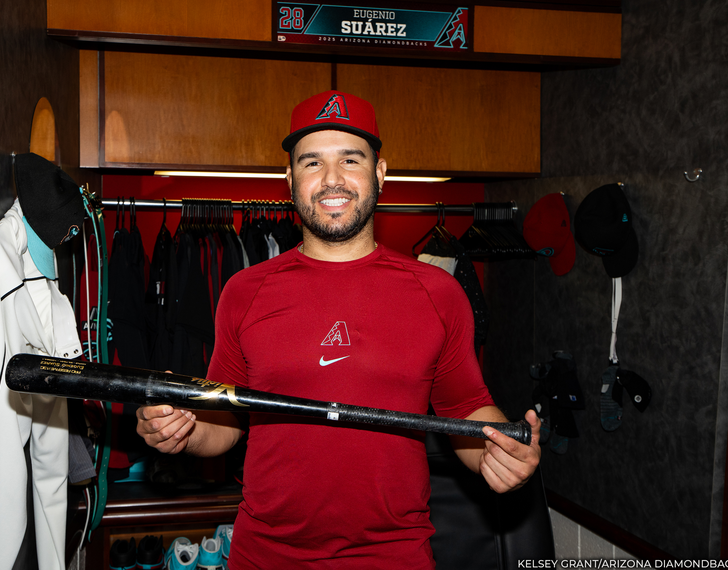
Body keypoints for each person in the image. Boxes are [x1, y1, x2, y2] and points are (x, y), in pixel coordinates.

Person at [137, 90, 542, 569]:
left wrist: (503, 451)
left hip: (395, 556)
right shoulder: (244, 291)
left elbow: (465, 408)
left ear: (380, 173)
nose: (332, 179)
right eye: (312, 163)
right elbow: (224, 422)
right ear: (289, 179)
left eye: (350, 159)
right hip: (265, 556)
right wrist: (180, 429)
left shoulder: (438, 291)